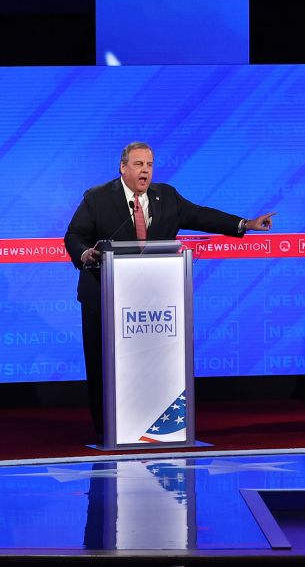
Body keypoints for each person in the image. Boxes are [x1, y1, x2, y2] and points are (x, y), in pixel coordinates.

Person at [64, 142, 275, 439]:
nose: (145, 170)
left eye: (149, 165)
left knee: (148, 365)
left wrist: (245, 224)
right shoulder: (97, 198)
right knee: (103, 367)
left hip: (150, 299)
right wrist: (86, 254)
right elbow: (74, 235)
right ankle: (107, 431)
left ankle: (149, 425)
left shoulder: (166, 197)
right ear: (122, 167)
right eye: (138, 164)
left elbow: (201, 215)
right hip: (103, 295)